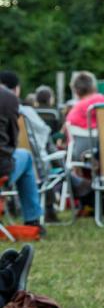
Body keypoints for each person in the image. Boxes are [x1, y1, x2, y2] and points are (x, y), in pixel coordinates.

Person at [0, 79, 43, 233]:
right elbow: (12, 140)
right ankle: (32, 220)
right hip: (1, 169)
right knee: (25, 155)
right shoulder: (7, 98)